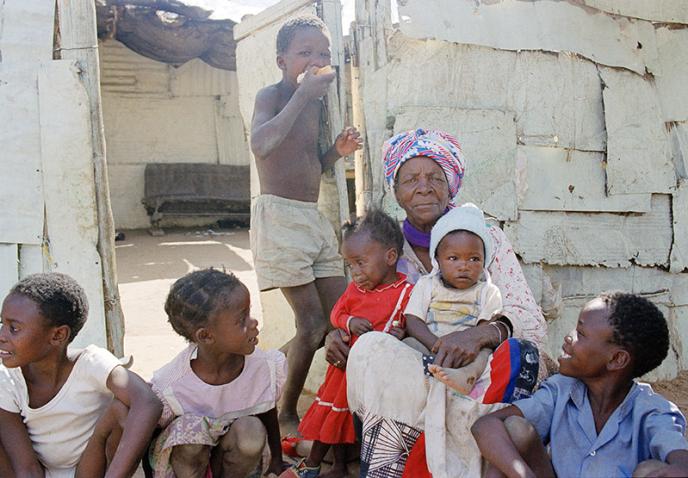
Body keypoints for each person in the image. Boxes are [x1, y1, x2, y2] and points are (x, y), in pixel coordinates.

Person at [324, 128, 548, 477]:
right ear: (396, 191)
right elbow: (360, 306)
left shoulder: (484, 237)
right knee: (369, 348)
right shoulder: (382, 245)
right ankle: (389, 467)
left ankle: (463, 460)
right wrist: (339, 333)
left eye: (435, 178)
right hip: (419, 365)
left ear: (451, 185)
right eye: (410, 178)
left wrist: (479, 335)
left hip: (477, 370)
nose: (424, 187)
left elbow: (531, 322)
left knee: (523, 358)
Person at [250, 14, 362, 432]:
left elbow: (309, 163)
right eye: (305, 53)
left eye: (323, 54)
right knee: (311, 324)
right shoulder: (273, 96)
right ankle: (284, 413)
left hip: (310, 219)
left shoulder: (317, 105)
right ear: (282, 61)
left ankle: (263, 378)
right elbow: (263, 145)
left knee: (337, 320)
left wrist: (336, 151)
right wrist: (301, 96)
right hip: (279, 218)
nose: (315, 61)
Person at [471, 292, 688, 478]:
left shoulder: (652, 410)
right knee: (514, 429)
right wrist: (523, 474)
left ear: (616, 360)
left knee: (650, 470)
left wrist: (679, 466)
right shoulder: (561, 391)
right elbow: (485, 425)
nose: (568, 337)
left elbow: (678, 454)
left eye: (580, 334)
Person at [282, 210, 412, 478]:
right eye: (350, 265)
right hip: (343, 369)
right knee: (335, 416)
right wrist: (350, 322)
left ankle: (343, 464)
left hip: (377, 375)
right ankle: (316, 465)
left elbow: (407, 324)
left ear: (390, 257)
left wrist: (400, 337)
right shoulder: (356, 291)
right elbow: (336, 315)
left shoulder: (406, 292)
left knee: (350, 420)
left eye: (360, 263)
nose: (354, 272)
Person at [0, 272, 162, 478]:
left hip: (92, 470)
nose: (2, 335)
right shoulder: (7, 380)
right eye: (2, 324)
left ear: (58, 335)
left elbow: (148, 402)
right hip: (38, 472)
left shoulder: (91, 363)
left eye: (14, 328)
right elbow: (26, 468)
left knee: (122, 407)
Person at [148, 269, 286, 477]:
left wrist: (276, 461)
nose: (253, 323)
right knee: (190, 431)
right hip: (187, 465)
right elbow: (152, 436)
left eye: (249, 313)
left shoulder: (264, 367)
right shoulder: (170, 386)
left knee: (251, 429)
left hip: (230, 459)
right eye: (242, 320)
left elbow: (267, 412)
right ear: (206, 336)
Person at [405, 203, 503, 396]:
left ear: (485, 261)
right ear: (438, 260)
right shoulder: (427, 285)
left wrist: (463, 354)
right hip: (429, 345)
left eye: (474, 259)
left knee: (486, 354)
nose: (464, 266)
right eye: (453, 258)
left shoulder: (488, 292)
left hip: (466, 355)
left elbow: (483, 331)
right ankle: (418, 380)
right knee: (407, 343)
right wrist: (436, 345)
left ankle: (466, 377)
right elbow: (413, 320)